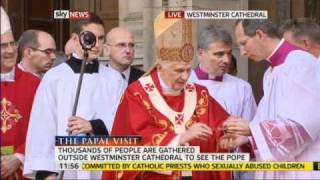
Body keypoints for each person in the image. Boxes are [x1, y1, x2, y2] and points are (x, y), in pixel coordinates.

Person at [102, 11, 232, 180]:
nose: (185, 77)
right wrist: (179, 138)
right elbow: (130, 146)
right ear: (160, 67)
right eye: (178, 71)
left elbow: (221, 129)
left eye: (188, 70)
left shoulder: (200, 94)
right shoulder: (137, 94)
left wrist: (232, 133)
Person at [222, 19, 320, 179]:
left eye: (244, 43)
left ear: (260, 34)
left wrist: (252, 129)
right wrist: (247, 139)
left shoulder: (300, 63)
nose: (242, 52)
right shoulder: (270, 73)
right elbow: (268, 118)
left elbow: (305, 126)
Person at [23, 13, 116, 179]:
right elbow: (43, 127)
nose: (96, 44)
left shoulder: (115, 79)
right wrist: (46, 173)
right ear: (74, 39)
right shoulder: (54, 77)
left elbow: (124, 123)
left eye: (101, 38)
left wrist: (94, 126)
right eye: (90, 38)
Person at [189, 24, 256, 180]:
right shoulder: (183, 85)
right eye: (219, 54)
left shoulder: (242, 88)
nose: (226, 60)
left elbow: (249, 134)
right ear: (200, 53)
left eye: (229, 53)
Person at [1, 6, 40, 180]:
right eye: (2, 45)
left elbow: (44, 128)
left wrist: (18, 157)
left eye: (13, 43)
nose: (10, 50)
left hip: (22, 171)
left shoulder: (34, 84)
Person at [105, 27, 145, 115]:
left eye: (131, 45)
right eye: (121, 45)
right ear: (107, 49)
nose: (128, 50)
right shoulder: (95, 79)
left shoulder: (145, 79)